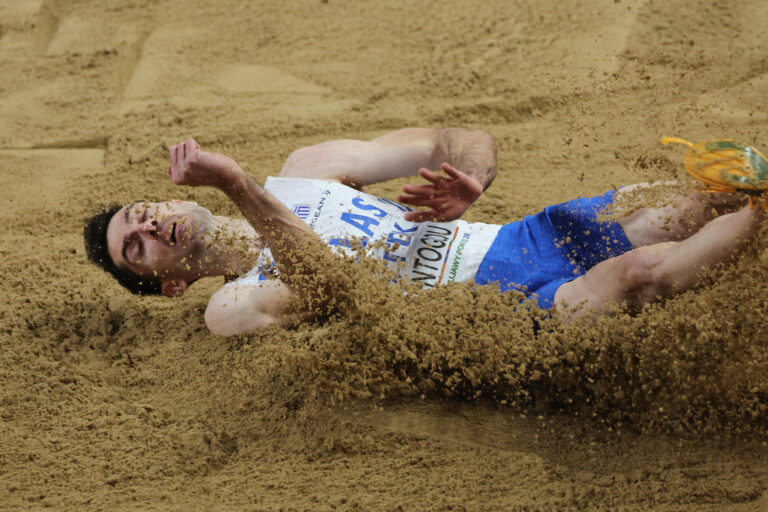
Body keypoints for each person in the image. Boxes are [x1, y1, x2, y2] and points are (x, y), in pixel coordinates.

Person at [84, 128, 762, 336]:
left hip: (516, 238)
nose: (146, 225)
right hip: (490, 316)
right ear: (167, 282)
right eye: (133, 246)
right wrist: (236, 183)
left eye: (138, 213)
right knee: (637, 273)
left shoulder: (307, 171)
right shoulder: (228, 308)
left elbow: (458, 136)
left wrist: (469, 178)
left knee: (687, 201)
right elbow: (330, 293)